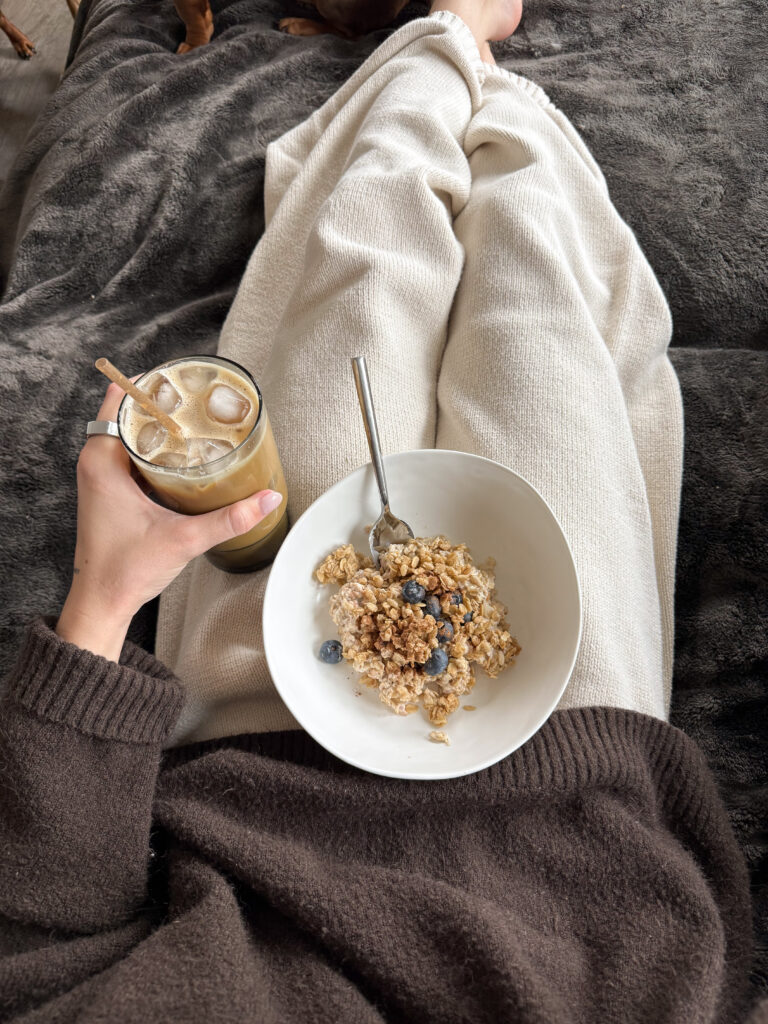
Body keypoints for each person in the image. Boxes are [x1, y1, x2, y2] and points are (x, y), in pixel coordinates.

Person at [0, 2, 758, 1022]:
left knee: (360, 264)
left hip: (263, 730)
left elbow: (35, 942)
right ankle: (480, 64)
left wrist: (99, 602)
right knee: (537, 277)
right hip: (577, 775)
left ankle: (440, 45)